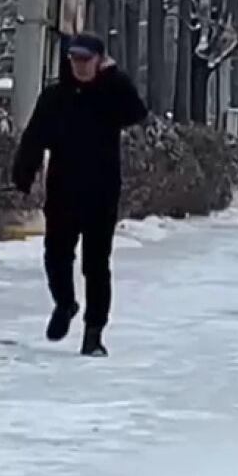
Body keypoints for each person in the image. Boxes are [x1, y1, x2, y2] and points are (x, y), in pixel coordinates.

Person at [11, 32, 149, 355]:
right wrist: (23, 173)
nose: (80, 66)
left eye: (87, 60)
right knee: (56, 255)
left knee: (96, 264)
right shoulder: (55, 98)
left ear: (99, 61)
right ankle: (65, 303)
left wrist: (113, 75)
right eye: (75, 59)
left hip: (102, 192)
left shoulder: (111, 93)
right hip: (63, 190)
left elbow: (137, 111)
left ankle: (94, 332)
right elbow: (34, 137)